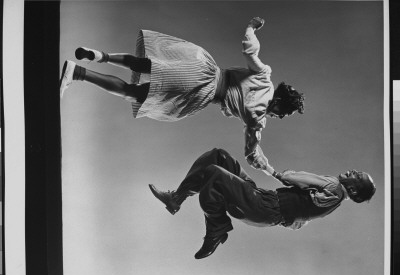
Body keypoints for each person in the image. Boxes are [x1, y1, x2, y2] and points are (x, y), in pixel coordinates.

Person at [59, 17, 305, 171]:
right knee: (134, 93)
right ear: (281, 102)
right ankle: (78, 73)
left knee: (146, 64)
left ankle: (99, 55)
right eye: (285, 113)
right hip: (200, 92)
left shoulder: (264, 76)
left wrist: (252, 27)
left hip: (203, 66)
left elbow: (249, 50)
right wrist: (271, 170)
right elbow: (253, 152)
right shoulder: (258, 118)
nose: (281, 117)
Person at [148, 148, 376, 259]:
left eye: (358, 175)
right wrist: (291, 217)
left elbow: (291, 177)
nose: (353, 171)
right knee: (219, 156)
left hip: (262, 205)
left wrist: (268, 167)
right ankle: (175, 199)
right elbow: (298, 220)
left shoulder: (334, 186)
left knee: (213, 173)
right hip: (263, 201)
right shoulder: (333, 203)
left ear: (354, 190)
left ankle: (216, 229)